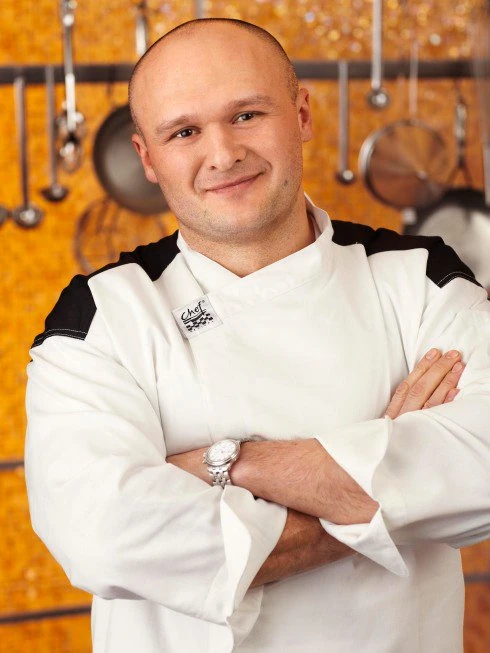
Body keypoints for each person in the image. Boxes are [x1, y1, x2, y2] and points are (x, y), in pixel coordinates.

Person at [24, 18, 490, 653]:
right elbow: (102, 535)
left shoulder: (419, 278)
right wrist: (400, 484)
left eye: (246, 115)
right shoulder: (103, 314)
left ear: (301, 115)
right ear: (148, 158)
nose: (223, 154)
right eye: (184, 132)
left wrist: (229, 463)